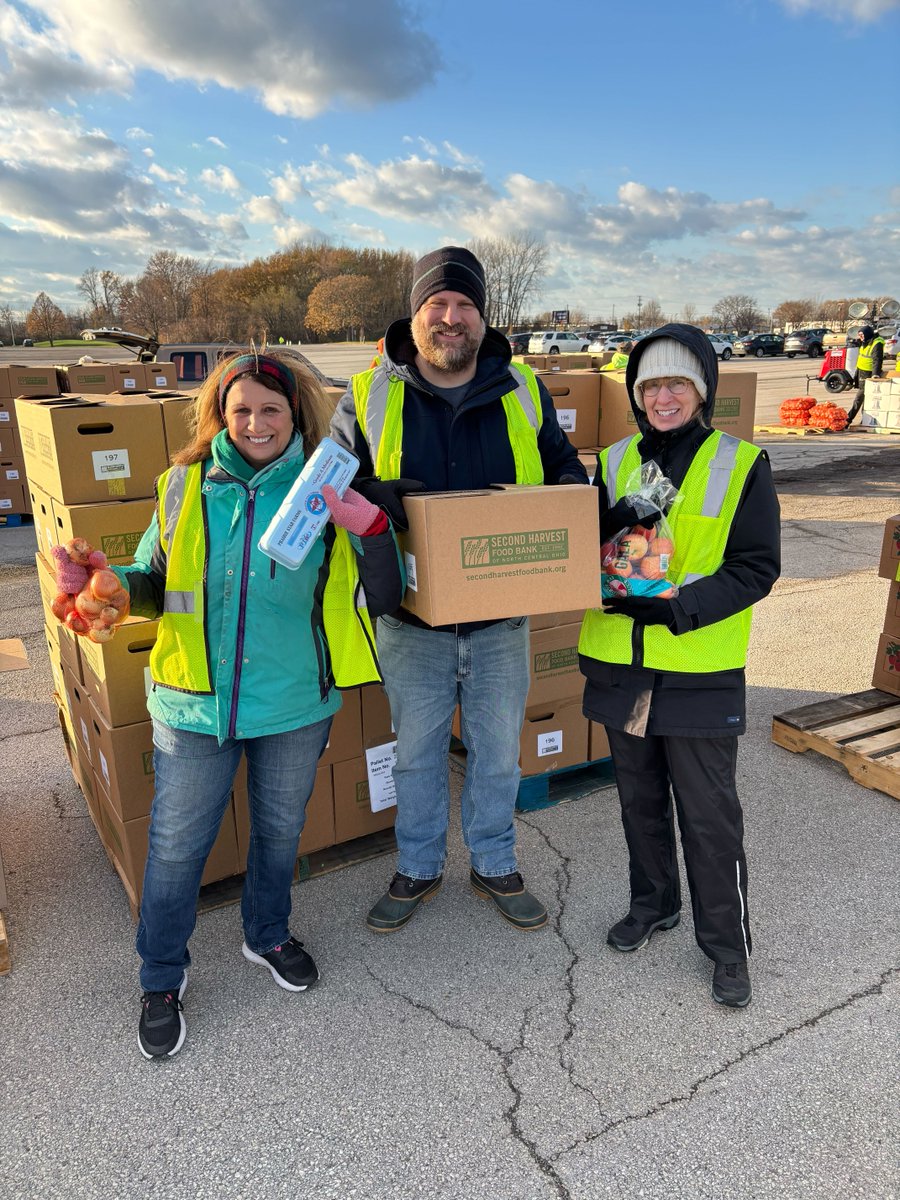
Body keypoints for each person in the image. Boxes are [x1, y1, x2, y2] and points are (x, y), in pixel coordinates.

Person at [53, 351, 404, 1059]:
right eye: (240, 409)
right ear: (220, 413)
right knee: (177, 849)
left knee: (279, 834)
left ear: (293, 415)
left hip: (295, 702)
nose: (255, 422)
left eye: (270, 410)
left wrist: (369, 529)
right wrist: (111, 589)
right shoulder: (182, 485)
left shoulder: (323, 490)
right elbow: (156, 584)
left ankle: (267, 933)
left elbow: (384, 588)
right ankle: (160, 976)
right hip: (192, 705)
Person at [330, 246, 589, 934]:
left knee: (498, 751)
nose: (451, 318)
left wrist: (568, 500)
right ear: (414, 315)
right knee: (416, 754)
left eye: (464, 305)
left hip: (501, 620)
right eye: (436, 305)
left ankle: (494, 861)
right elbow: (331, 488)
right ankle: (417, 866)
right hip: (411, 624)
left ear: (483, 316)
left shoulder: (524, 389)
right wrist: (375, 496)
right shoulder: (365, 395)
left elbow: (563, 468)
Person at [577, 324, 780, 1008]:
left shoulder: (740, 463)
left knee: (709, 814)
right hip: (620, 665)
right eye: (651, 386)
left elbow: (757, 568)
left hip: (697, 668)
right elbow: (586, 549)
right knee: (638, 801)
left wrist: (678, 609)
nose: (663, 397)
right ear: (636, 396)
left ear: (702, 392)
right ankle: (653, 903)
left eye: (677, 384)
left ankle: (727, 947)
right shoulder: (610, 462)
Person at [846, 325, 885, 426]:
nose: (860, 337)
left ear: (867, 334)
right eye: (859, 335)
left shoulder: (877, 343)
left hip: (869, 374)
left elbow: (877, 359)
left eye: (862, 335)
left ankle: (848, 419)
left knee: (859, 397)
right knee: (864, 396)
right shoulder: (866, 341)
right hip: (861, 371)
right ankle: (864, 420)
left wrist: (875, 374)